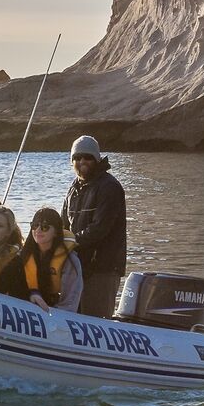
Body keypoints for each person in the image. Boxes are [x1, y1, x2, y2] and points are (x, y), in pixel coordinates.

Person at [61, 135, 127, 318]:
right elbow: (63, 224)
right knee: (73, 317)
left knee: (96, 320)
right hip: (77, 266)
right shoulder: (73, 188)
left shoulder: (109, 187)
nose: (82, 161)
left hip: (102, 269)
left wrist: (69, 242)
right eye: (77, 157)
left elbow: (100, 228)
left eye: (87, 157)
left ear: (97, 159)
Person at [0, 207, 83, 312]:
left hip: (54, 310)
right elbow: (2, 283)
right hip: (27, 306)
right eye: (35, 225)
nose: (38, 230)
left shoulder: (70, 261)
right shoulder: (23, 255)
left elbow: (70, 302)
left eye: (45, 227)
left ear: (56, 232)